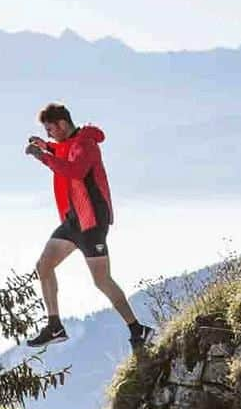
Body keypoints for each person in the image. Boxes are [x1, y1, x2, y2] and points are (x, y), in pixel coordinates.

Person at [24, 102, 153, 349]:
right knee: (44, 265)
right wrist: (46, 146)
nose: (49, 134)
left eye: (50, 129)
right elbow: (62, 150)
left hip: (92, 223)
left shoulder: (86, 144)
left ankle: (138, 329)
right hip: (74, 222)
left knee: (102, 281)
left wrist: (43, 156)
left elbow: (74, 170)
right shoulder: (70, 143)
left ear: (62, 124)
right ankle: (55, 326)